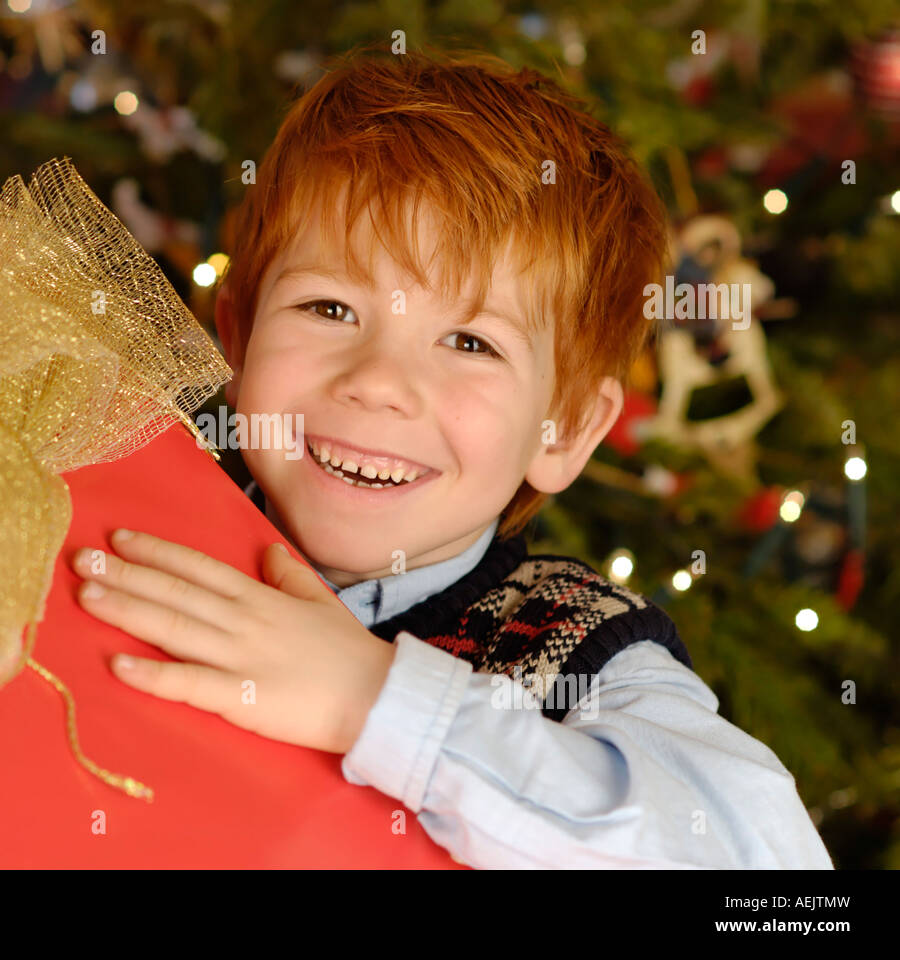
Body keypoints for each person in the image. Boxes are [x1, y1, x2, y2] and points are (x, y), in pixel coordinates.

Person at [71, 43, 833, 868]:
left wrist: (375, 703)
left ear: (567, 428)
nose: (379, 383)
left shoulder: (577, 651)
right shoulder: (135, 506)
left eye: (470, 341)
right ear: (238, 334)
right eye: (329, 306)